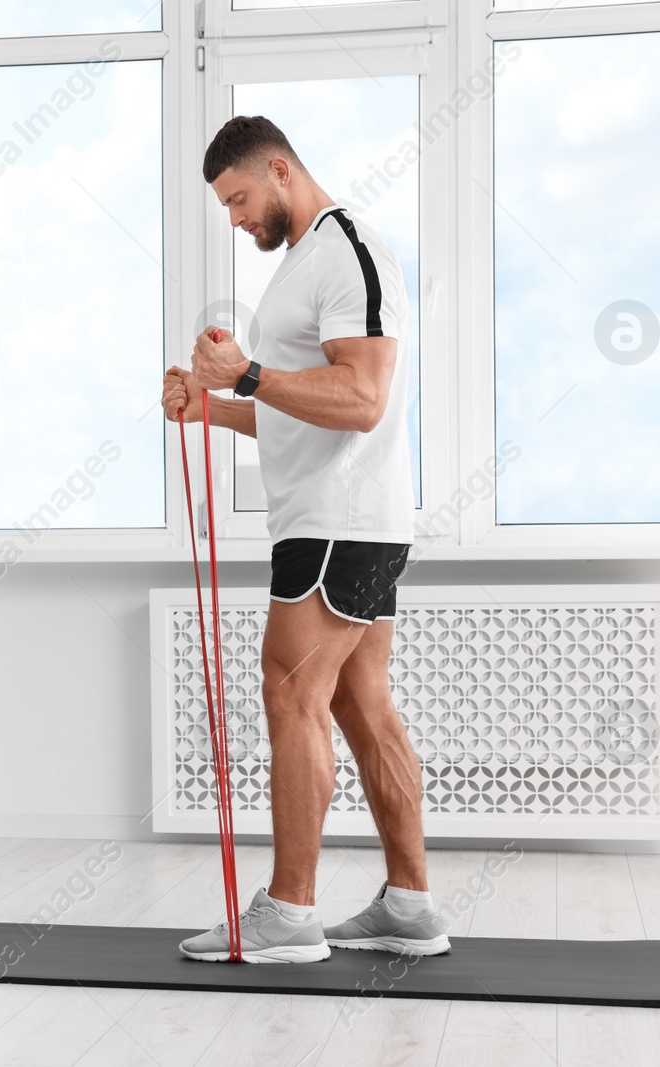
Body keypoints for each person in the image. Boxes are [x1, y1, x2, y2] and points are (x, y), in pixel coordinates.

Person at [165, 116, 449, 963]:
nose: (236, 218)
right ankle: (409, 905)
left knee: (292, 700)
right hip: (339, 521)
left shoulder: (347, 249)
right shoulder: (302, 267)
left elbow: (361, 398)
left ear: (280, 171)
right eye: (225, 206)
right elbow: (302, 412)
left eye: (241, 198)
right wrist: (210, 404)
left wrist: (245, 370)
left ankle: (290, 915)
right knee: (363, 709)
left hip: (338, 522)